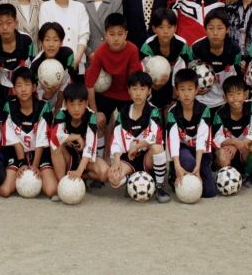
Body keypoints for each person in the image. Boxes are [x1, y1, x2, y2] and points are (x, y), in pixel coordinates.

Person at [84, 13, 143, 160]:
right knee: (100, 122)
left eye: (120, 34)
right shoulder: (101, 51)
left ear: (126, 34)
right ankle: (101, 158)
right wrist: (95, 112)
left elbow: (134, 82)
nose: (116, 38)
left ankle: (129, 159)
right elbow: (90, 84)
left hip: (127, 93)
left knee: (130, 124)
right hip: (106, 93)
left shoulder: (132, 50)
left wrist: (135, 107)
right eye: (112, 34)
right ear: (105, 35)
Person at [106, 71, 170, 203]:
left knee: (158, 148)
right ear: (129, 90)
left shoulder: (153, 111)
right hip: (128, 159)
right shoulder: (123, 113)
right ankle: (131, 179)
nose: (138, 93)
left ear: (149, 91)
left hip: (146, 158)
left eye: (142, 89)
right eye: (134, 89)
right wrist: (116, 161)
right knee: (113, 179)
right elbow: (116, 140)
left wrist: (138, 147)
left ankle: (159, 187)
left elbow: (156, 137)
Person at [0, 67, 58, 199]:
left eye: (27, 84)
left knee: (52, 190)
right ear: (13, 89)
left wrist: (35, 165)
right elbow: (14, 140)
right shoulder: (9, 107)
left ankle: (42, 178)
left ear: (34, 87)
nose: (23, 89)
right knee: (4, 191)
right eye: (19, 85)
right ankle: (18, 177)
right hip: (17, 153)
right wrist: (22, 163)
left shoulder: (44, 107)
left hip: (39, 154)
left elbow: (42, 140)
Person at [166, 68, 217, 199]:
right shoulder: (173, 112)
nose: (186, 94)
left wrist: (198, 169)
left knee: (209, 192)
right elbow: (173, 140)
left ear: (196, 90)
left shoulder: (204, 110)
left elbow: (202, 140)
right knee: (188, 163)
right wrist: (177, 166)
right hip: (183, 150)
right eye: (182, 90)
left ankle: (200, 169)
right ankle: (174, 173)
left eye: (190, 89)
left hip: (200, 152)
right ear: (176, 92)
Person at [49, 82, 109, 186]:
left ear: (86, 104)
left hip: (86, 157)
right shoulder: (61, 114)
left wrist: (79, 171)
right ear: (66, 104)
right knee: (55, 145)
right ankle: (63, 184)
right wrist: (76, 137)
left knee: (104, 173)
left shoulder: (91, 117)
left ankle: (79, 178)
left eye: (80, 104)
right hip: (68, 156)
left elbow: (90, 146)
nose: (76, 109)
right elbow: (55, 136)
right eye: (72, 104)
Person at [211, 77, 252, 187]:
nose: (235, 97)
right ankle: (223, 175)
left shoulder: (251, 106)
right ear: (225, 98)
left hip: (243, 150)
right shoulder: (220, 114)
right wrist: (234, 141)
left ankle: (247, 174)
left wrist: (237, 145)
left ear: (245, 95)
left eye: (238, 93)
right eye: (231, 94)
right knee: (222, 157)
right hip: (229, 151)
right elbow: (216, 140)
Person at [140, 8, 194, 111]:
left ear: (175, 28)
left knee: (171, 112)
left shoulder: (181, 45)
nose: (166, 31)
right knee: (156, 112)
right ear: (154, 29)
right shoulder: (148, 47)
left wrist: (174, 100)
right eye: (161, 27)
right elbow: (144, 74)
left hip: (175, 86)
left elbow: (180, 74)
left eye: (170, 27)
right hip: (153, 85)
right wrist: (154, 87)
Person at [39, 0, 90, 72]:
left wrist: (75, 60)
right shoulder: (46, 7)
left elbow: (84, 36)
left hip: (77, 66)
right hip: (52, 67)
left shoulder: (80, 7)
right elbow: (45, 37)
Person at [190, 8, 243, 109]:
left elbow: (239, 78)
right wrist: (195, 89)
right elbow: (187, 75)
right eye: (211, 28)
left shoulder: (234, 50)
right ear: (205, 29)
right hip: (201, 99)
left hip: (225, 99)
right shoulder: (196, 49)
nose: (215, 33)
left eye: (220, 28)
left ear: (227, 29)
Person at [78, 0, 123, 68]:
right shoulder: (81, 2)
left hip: (110, 58)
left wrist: (100, 54)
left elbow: (118, 30)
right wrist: (89, 52)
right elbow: (78, 31)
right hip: (87, 59)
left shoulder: (117, 2)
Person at [30, 22, 76, 110]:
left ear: (61, 42)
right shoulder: (35, 65)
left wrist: (58, 109)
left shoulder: (67, 55)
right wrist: (47, 95)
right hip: (43, 106)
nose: (51, 44)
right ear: (41, 42)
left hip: (64, 103)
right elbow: (35, 93)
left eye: (55, 40)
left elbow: (66, 83)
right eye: (47, 40)